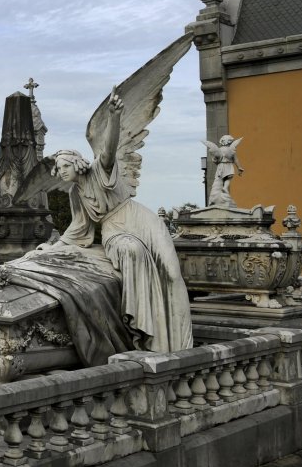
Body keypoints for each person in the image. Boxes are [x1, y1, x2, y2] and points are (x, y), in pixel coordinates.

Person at [41, 94, 192, 354]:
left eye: (65, 165)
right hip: (116, 230)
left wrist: (114, 117)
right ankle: (148, 337)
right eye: (59, 168)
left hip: (141, 218)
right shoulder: (74, 194)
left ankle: (180, 341)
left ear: (77, 162)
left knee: (171, 270)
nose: (62, 171)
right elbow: (77, 229)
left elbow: (109, 150)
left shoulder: (100, 171)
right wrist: (51, 248)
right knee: (131, 251)